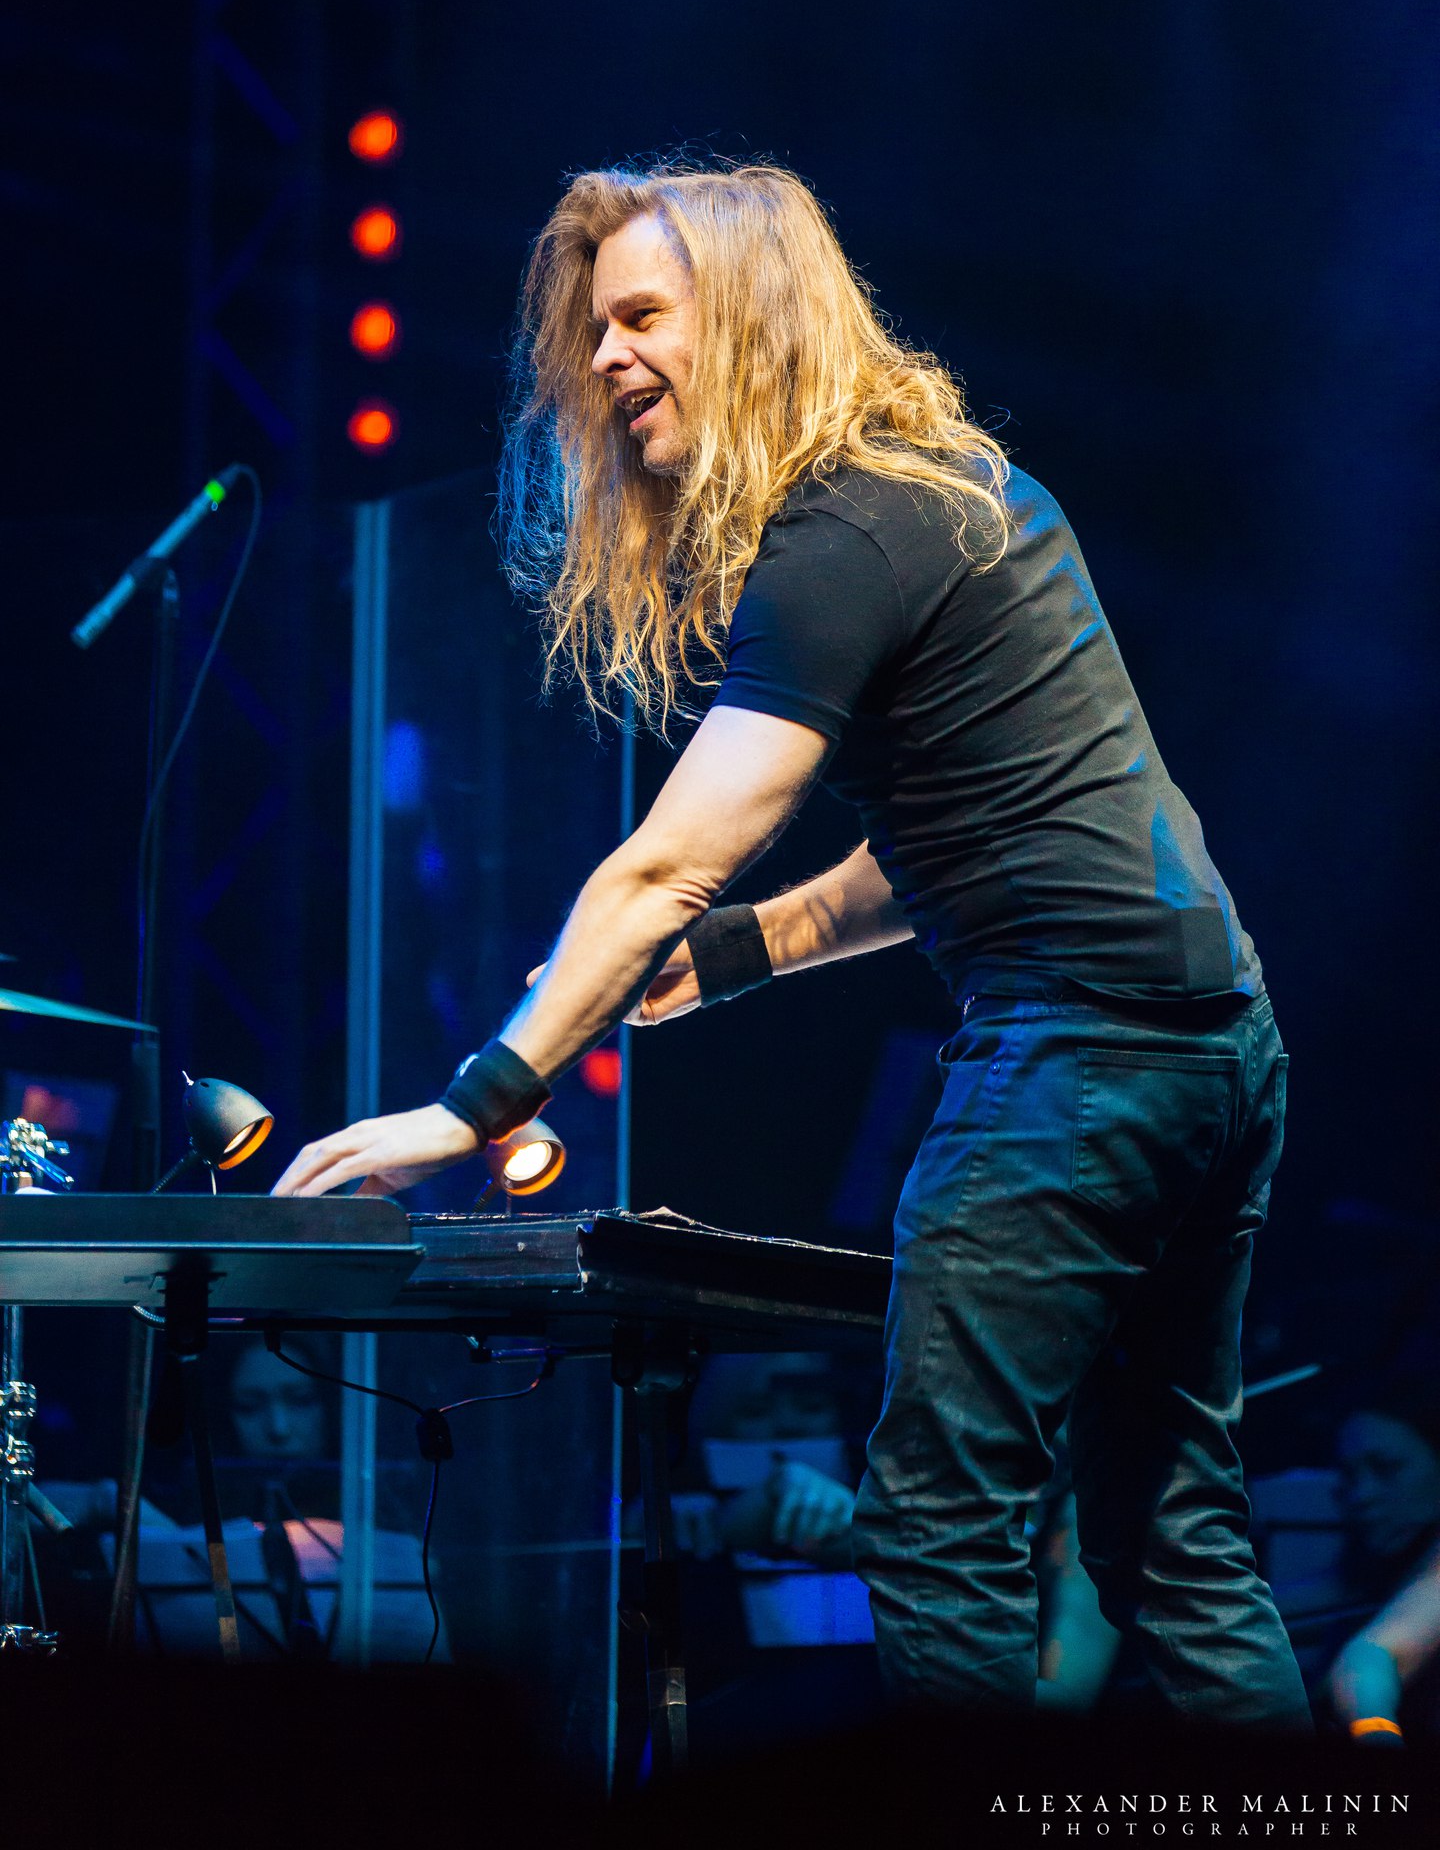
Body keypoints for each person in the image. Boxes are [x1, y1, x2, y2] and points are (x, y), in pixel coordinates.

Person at [274, 160, 1307, 1727]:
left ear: (751, 318)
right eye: (595, 327)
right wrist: (739, 957)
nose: (607, 356)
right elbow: (955, 846)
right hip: (1213, 1052)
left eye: (642, 317)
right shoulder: (951, 490)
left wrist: (471, 1106)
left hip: (1077, 1059)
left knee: (939, 1528)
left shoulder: (844, 530)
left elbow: (665, 863)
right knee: (1176, 1538)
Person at [1321, 1391, 1440, 1746]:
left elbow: (1373, 1654)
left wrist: (1375, 1733)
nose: (1361, 1495)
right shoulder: (1377, 1573)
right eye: (1349, 1475)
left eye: (1386, 1468)